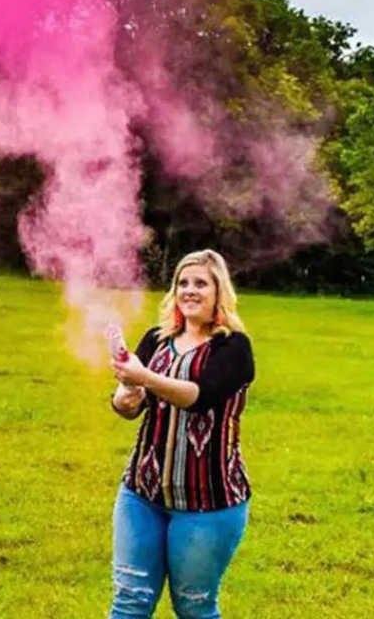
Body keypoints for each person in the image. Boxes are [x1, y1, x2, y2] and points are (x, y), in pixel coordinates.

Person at [108, 249, 255, 619]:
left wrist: (145, 378)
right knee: (130, 601)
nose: (190, 291)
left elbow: (199, 397)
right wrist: (127, 392)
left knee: (194, 606)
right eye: (182, 283)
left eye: (201, 283)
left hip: (209, 501)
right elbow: (129, 407)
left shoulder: (233, 347)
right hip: (142, 493)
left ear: (219, 291)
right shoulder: (156, 339)